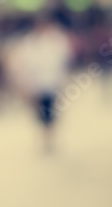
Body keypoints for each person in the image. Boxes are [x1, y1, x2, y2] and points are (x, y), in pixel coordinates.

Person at [12, 17, 73, 151]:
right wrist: (24, 82)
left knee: (51, 112)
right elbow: (23, 64)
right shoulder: (29, 43)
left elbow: (62, 62)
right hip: (36, 85)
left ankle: (49, 137)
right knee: (40, 114)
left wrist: (61, 80)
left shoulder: (56, 41)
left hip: (51, 83)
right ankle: (45, 136)